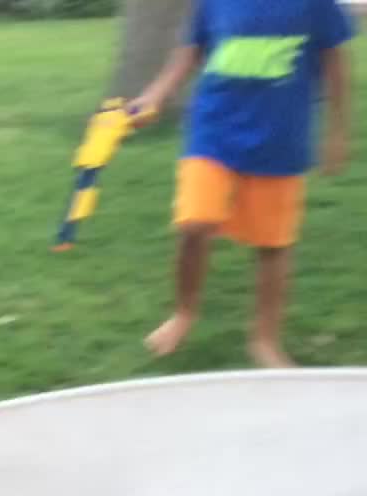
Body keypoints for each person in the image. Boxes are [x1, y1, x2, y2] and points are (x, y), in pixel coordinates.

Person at [129, 0, 354, 367]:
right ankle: (184, 314)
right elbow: (190, 51)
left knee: (273, 244)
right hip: (213, 132)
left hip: (279, 140)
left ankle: (264, 339)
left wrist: (337, 131)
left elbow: (335, 63)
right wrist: (154, 96)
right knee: (194, 222)